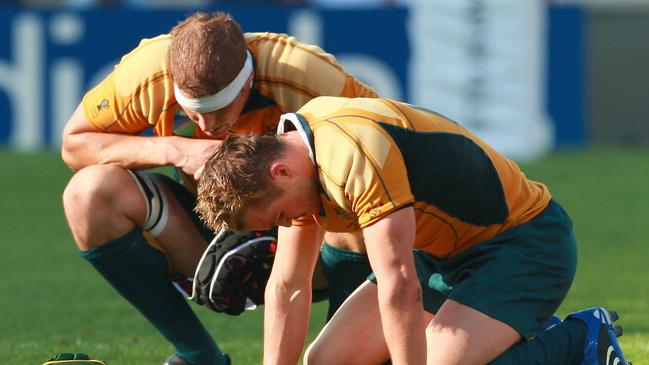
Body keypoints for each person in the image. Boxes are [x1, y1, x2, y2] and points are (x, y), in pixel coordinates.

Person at [196, 96, 631, 365]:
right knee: (327, 360)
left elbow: (400, 286)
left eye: (278, 217)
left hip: (525, 243)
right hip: (442, 253)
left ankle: (581, 336)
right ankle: (498, 327)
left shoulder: (352, 156)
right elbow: (288, 287)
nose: (288, 225)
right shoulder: (294, 156)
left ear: (281, 172)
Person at [61, 12, 377, 365]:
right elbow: (74, 144)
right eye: (192, 113)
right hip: (208, 237)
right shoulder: (149, 73)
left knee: (359, 199)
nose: (208, 126)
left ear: (246, 84)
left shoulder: (303, 75)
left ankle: (350, 353)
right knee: (87, 194)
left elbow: (381, 156)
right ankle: (199, 358)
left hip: (310, 246)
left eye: (217, 109)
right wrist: (173, 148)